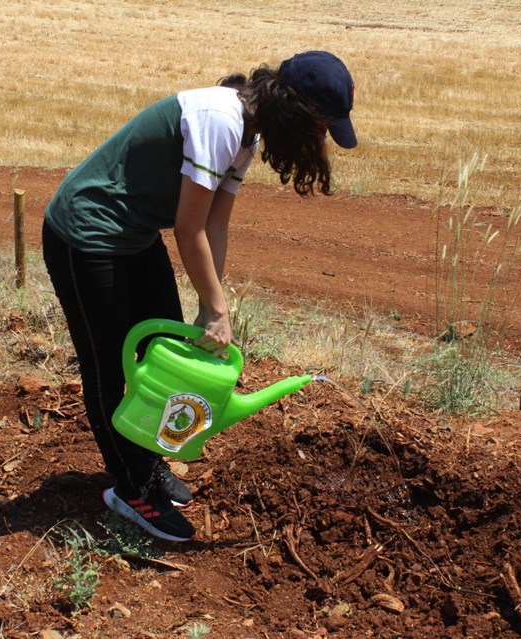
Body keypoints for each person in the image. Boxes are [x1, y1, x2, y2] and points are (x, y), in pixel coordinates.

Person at [41, 50, 357, 542]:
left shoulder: (248, 132)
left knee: (165, 356)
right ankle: (131, 491)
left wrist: (209, 303)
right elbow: (188, 230)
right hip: (86, 234)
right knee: (107, 367)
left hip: (135, 235)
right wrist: (217, 307)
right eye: (320, 127)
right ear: (294, 109)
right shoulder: (221, 119)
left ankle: (145, 459)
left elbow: (215, 224)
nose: (319, 140)